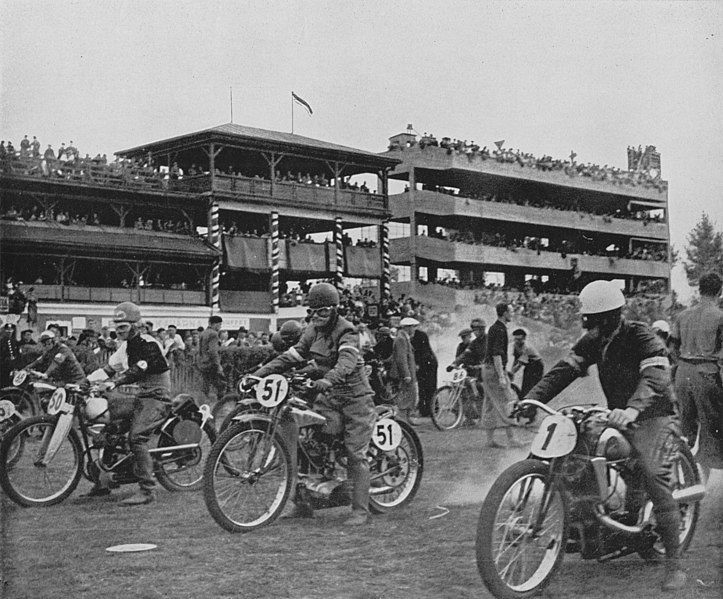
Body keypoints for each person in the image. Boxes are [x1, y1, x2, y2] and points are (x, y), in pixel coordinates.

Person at [522, 280, 687, 591]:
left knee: (654, 476)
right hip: (620, 415)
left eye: (597, 320)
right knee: (582, 449)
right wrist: (531, 398)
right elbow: (564, 370)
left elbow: (655, 376)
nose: (592, 327)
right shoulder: (594, 341)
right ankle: (590, 522)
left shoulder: (640, 335)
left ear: (614, 316)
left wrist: (633, 410)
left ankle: (675, 565)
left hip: (655, 415)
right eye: (589, 321)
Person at [252, 282, 375, 526]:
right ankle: (304, 505)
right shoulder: (312, 331)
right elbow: (292, 355)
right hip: (328, 398)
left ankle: (361, 510)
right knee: (308, 443)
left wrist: (327, 380)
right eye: (313, 311)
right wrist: (260, 374)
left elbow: (346, 363)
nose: (317, 316)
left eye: (323, 312)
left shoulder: (347, 331)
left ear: (334, 310)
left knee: (355, 452)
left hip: (355, 398)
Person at [86, 302, 172, 505]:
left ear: (136, 325)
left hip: (158, 397)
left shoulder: (149, 344)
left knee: (137, 437)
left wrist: (114, 382)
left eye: (123, 326)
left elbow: (138, 369)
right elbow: (107, 369)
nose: (119, 331)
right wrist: (85, 381)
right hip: (141, 396)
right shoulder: (125, 347)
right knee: (108, 424)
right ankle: (103, 482)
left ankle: (148, 490)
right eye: (117, 326)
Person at [670, 272, 723, 481]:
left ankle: (682, 477)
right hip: (706, 373)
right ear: (719, 291)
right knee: (713, 430)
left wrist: (682, 364)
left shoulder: (683, 315)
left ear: (699, 289)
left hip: (683, 373)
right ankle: (707, 486)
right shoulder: (719, 316)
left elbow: (672, 347)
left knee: (686, 428)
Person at [481, 304, 522, 448]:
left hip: (487, 370)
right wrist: (501, 376)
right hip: (494, 370)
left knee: (491, 404)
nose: (512, 313)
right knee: (508, 400)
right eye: (510, 311)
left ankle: (489, 440)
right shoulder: (500, 329)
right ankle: (512, 438)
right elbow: (496, 354)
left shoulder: (494, 327)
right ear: (504, 313)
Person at [449, 318, 488, 426]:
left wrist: (483, 365)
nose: (475, 333)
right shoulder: (473, 344)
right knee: (466, 390)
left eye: (477, 330)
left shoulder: (489, 341)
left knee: (482, 390)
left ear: (482, 329)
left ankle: (484, 417)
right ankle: (470, 416)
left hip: (487, 371)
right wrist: (454, 364)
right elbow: (464, 355)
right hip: (473, 372)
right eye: (474, 330)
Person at [389, 317, 419, 425]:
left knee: (411, 395)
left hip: (410, 372)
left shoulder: (404, 337)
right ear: (407, 327)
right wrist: (406, 374)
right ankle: (403, 419)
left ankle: (407, 417)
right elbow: (401, 358)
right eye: (412, 327)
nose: (414, 329)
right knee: (405, 396)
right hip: (405, 374)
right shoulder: (401, 339)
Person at [411, 319, 438, 418]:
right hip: (421, 364)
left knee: (430, 386)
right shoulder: (412, 337)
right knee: (422, 387)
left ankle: (432, 408)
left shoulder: (421, 336)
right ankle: (424, 409)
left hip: (429, 363)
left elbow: (424, 351)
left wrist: (418, 364)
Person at [198, 316, 226, 403]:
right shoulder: (214, 334)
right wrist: (218, 365)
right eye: (220, 325)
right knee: (221, 384)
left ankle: (204, 402)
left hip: (203, 363)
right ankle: (219, 404)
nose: (220, 327)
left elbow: (200, 350)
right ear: (216, 324)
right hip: (211, 364)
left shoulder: (203, 333)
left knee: (205, 385)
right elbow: (213, 351)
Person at [510, 328, 544, 397]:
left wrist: (511, 373)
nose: (517, 341)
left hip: (537, 365)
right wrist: (511, 372)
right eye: (515, 339)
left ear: (524, 338)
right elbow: (516, 359)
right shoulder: (515, 345)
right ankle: (523, 397)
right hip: (528, 365)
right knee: (525, 384)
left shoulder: (526, 348)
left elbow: (519, 365)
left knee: (532, 385)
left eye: (519, 340)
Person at [0, 323, 20, 387]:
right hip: (3, 367)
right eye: (7, 331)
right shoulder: (1, 342)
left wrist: (16, 365)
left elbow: (18, 354)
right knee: (3, 382)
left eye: (11, 331)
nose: (9, 333)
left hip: (12, 366)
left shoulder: (15, 342)